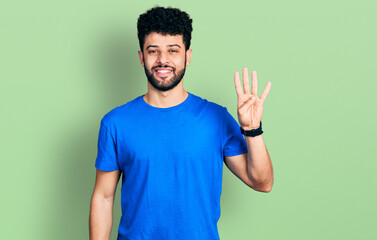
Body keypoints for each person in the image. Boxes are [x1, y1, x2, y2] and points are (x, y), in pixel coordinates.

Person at [89, 6, 273, 240]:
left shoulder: (216, 119)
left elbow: (262, 182)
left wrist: (252, 129)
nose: (163, 60)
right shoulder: (115, 124)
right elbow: (103, 198)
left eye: (173, 50)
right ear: (141, 57)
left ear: (187, 56)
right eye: (153, 51)